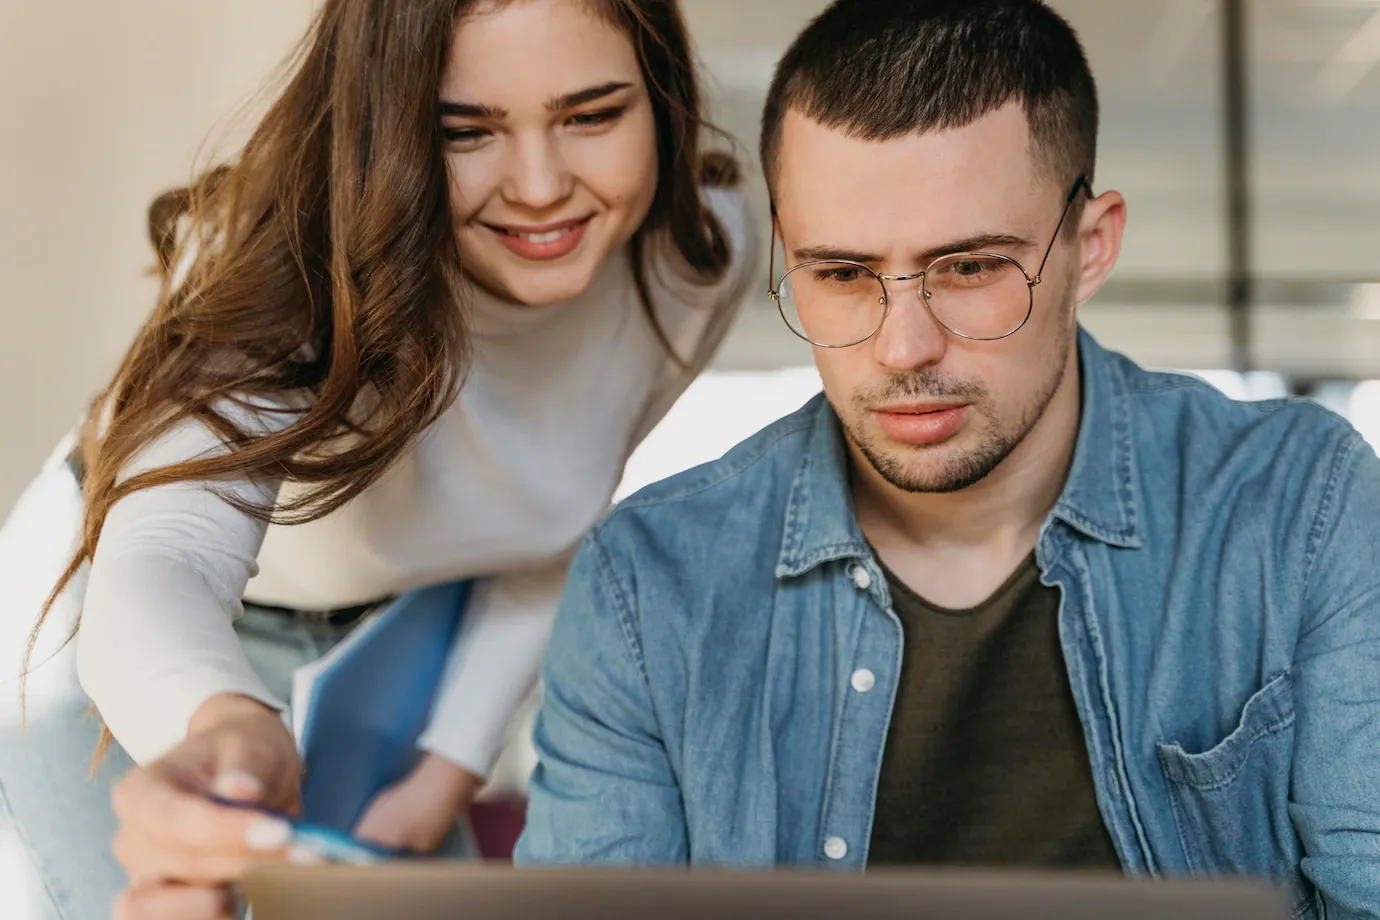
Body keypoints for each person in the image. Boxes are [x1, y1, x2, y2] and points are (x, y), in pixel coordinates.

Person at [513, 1, 1380, 917]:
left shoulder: (1297, 506)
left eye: (968, 268)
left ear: (1091, 247)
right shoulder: (648, 584)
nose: (903, 349)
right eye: (843, 276)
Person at [0, 0, 757, 917]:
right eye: (463, 131)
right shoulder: (286, 267)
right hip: (115, 611)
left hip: (390, 644)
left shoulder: (701, 256)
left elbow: (552, 522)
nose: (540, 183)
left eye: (593, 115)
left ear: (662, 100)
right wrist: (229, 725)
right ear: (383, 127)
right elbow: (165, 559)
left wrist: (449, 764)